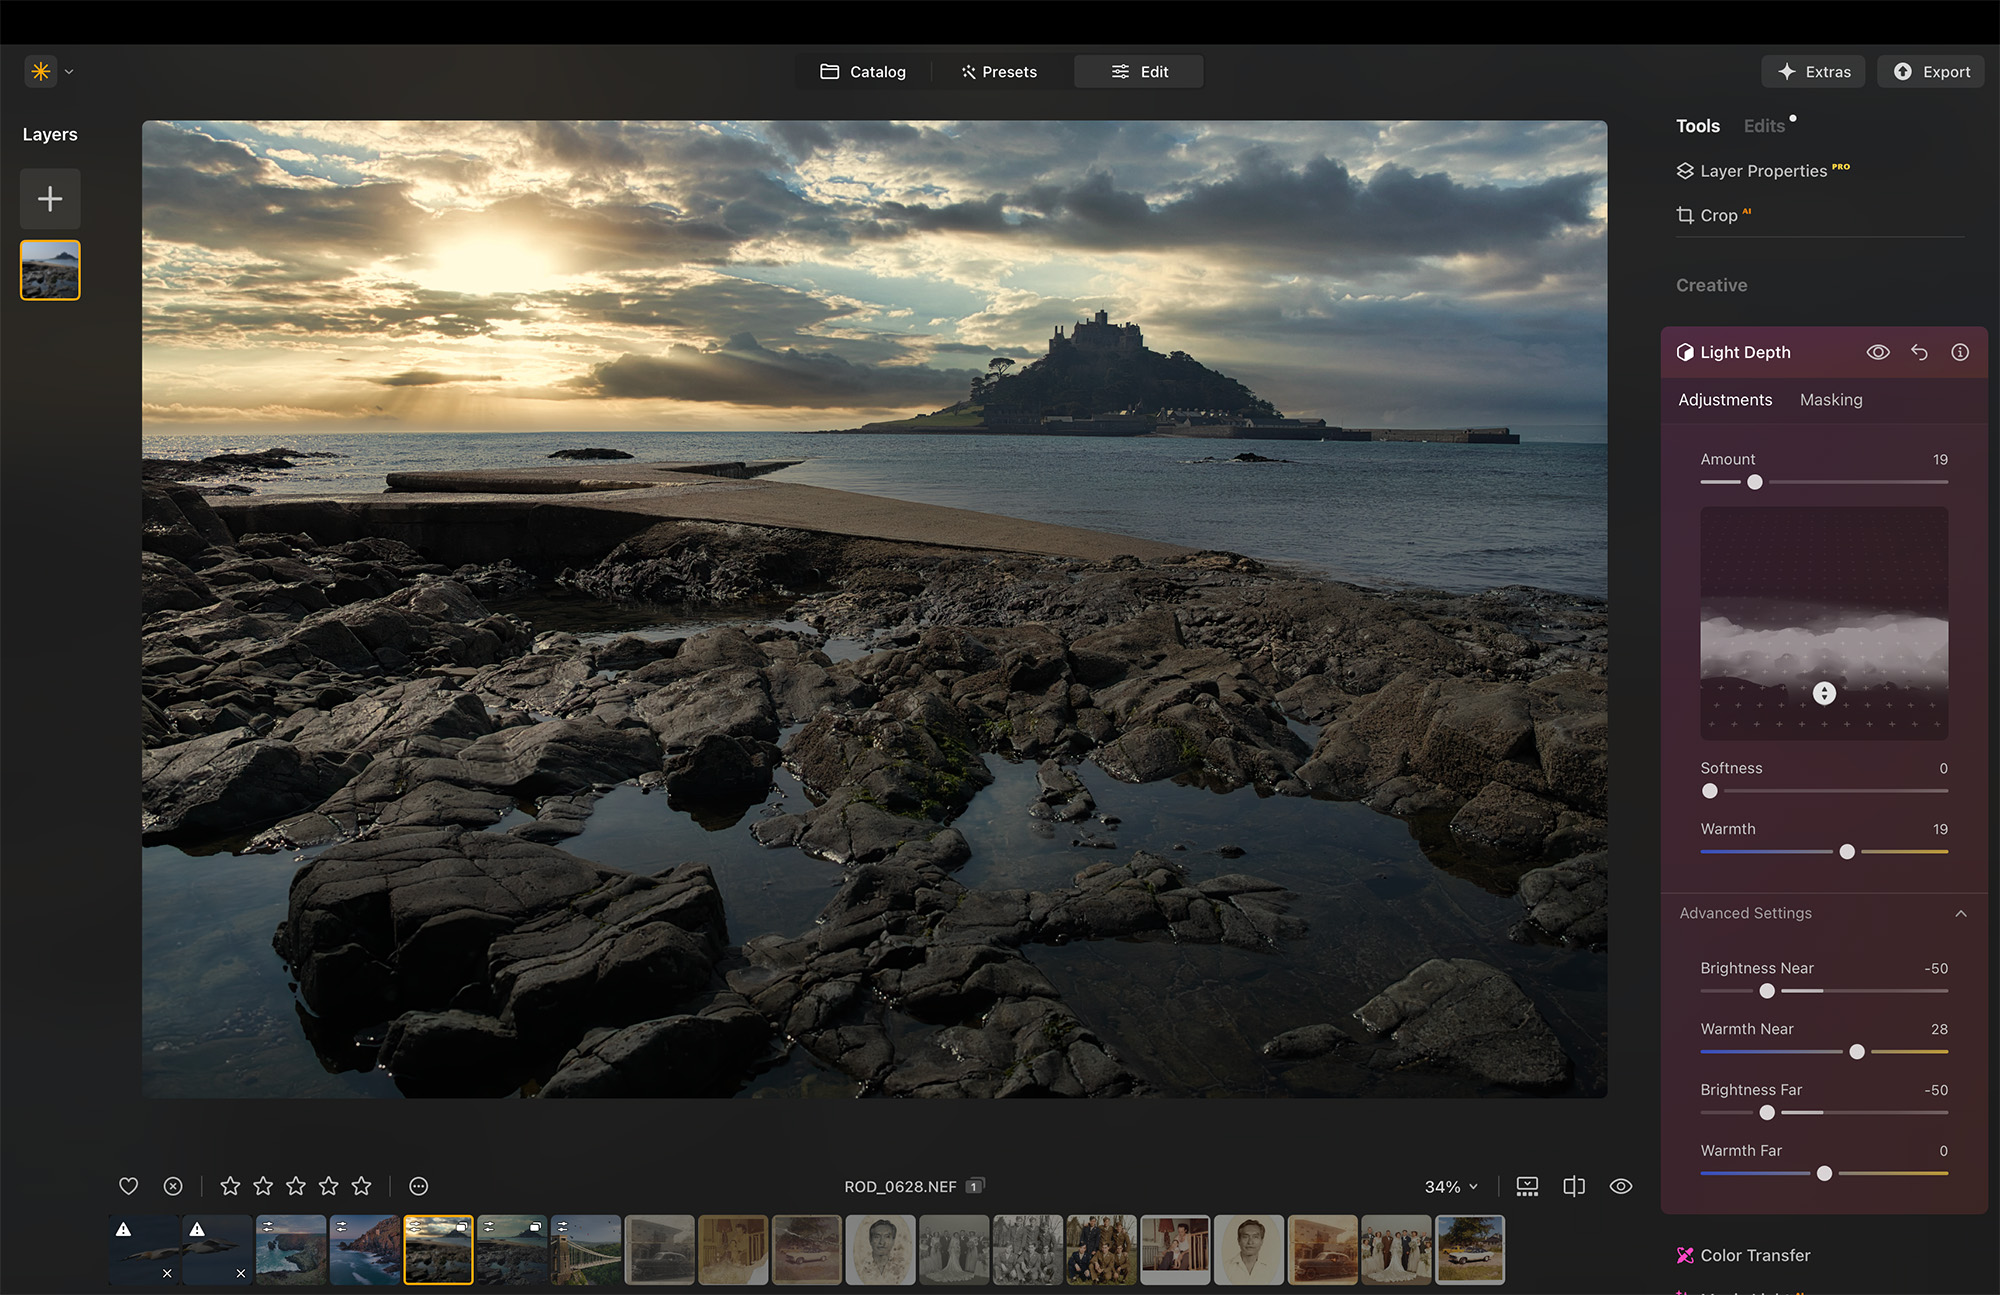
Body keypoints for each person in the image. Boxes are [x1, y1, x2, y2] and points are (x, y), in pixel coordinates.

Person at [1220, 1218, 1275, 1285]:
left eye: (1255, 1237)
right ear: (1238, 1240)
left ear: (1262, 1241)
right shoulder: (1225, 1268)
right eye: (1245, 1237)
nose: (1250, 1242)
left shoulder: (1271, 1270)